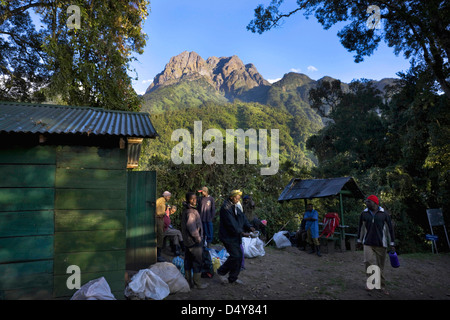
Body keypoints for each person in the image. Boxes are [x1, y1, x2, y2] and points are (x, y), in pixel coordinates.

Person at [357, 194, 395, 295]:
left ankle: (382, 286)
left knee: (380, 266)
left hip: (381, 244)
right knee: (368, 262)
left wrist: (392, 243)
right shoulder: (364, 213)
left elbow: (390, 229)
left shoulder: (384, 214)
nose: (366, 203)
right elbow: (361, 228)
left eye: (368, 201)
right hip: (368, 242)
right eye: (366, 201)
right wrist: (359, 240)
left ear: (375, 203)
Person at [217, 190, 255, 285]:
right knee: (235, 256)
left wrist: (249, 227)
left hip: (235, 236)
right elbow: (231, 224)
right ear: (231, 197)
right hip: (227, 236)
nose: (238, 199)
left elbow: (243, 218)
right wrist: (242, 233)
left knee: (239, 256)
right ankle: (221, 272)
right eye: (236, 198)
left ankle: (233, 278)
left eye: (239, 198)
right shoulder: (226, 208)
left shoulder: (235, 206)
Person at [180, 192, 208, 289]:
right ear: (188, 200)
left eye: (195, 198)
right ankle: (198, 283)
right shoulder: (191, 212)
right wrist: (198, 238)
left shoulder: (186, 210)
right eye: (192, 199)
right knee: (197, 261)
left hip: (187, 242)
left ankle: (189, 282)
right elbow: (191, 227)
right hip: (193, 242)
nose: (194, 200)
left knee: (188, 261)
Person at [156, 191, 171, 262]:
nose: (169, 198)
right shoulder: (160, 200)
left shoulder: (164, 202)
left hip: (161, 219)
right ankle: (158, 255)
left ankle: (159, 254)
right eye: (168, 196)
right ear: (165, 196)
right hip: (158, 218)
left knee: (161, 236)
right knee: (160, 235)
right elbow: (154, 205)